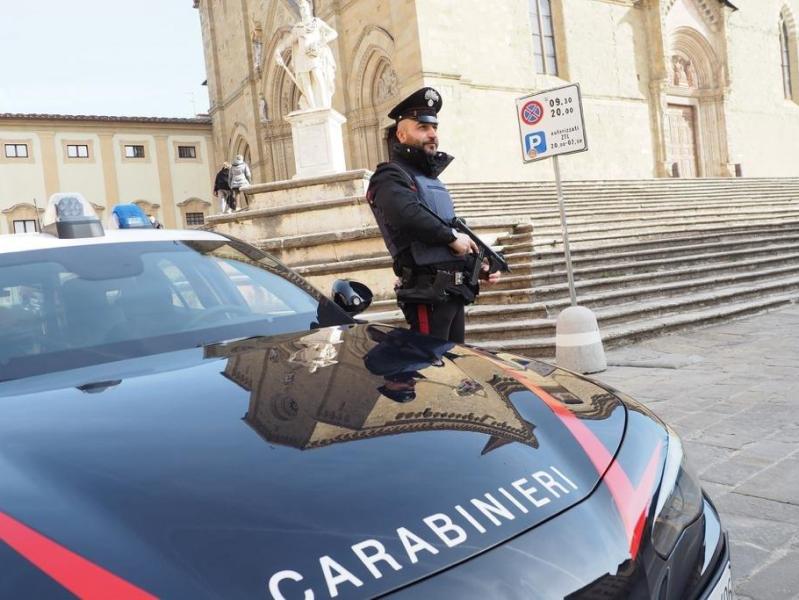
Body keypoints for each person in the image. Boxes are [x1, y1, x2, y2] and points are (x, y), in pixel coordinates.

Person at [366, 87, 500, 343]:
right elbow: (406, 214)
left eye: (435, 127)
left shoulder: (430, 181)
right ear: (401, 134)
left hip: (452, 293)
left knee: (452, 361)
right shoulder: (390, 175)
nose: (432, 134)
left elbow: (449, 235)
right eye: (423, 127)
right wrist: (451, 237)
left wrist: (479, 266)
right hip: (426, 293)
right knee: (428, 363)